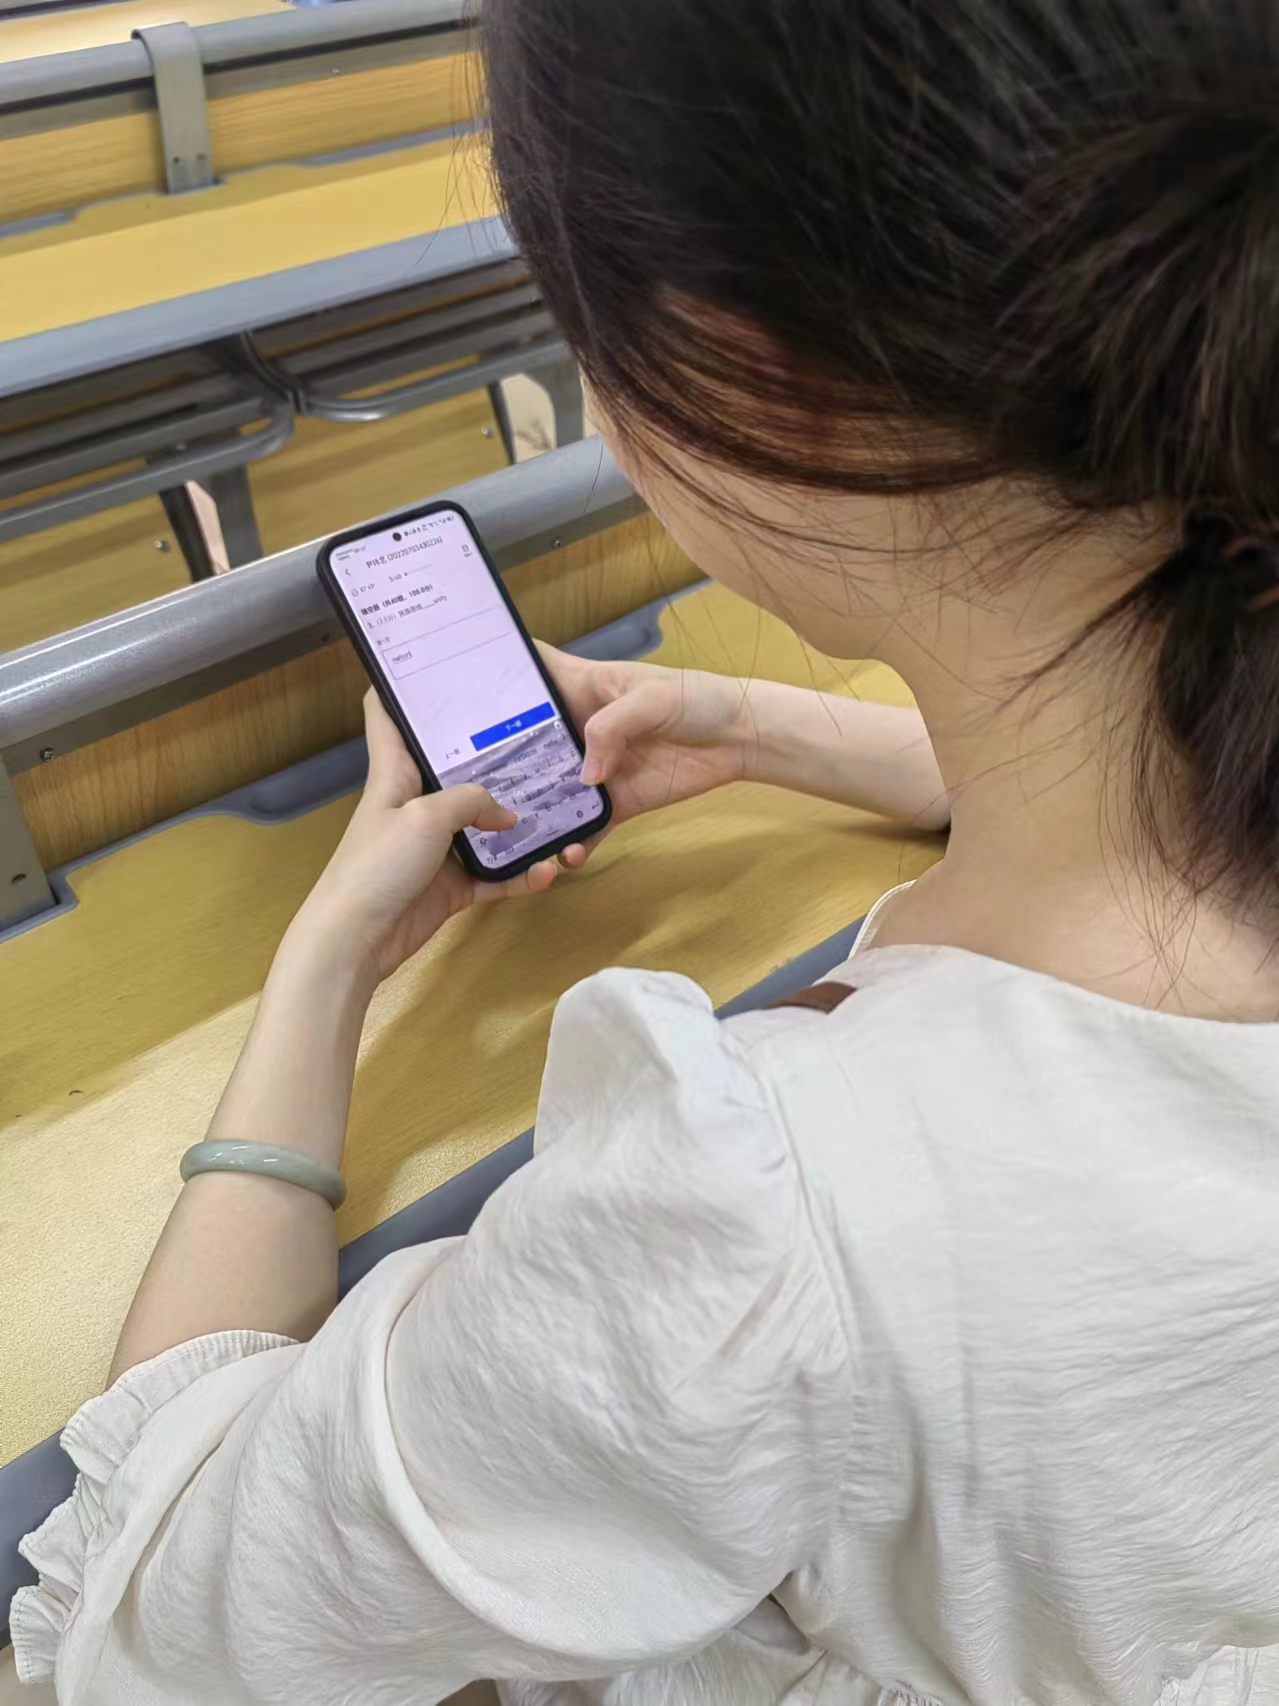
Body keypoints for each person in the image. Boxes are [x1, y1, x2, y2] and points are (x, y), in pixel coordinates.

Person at [13, 0, 1279, 1698]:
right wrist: (760, 727)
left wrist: (324, 966)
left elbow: (148, 1622)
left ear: (762, 387)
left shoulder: (764, 1228)